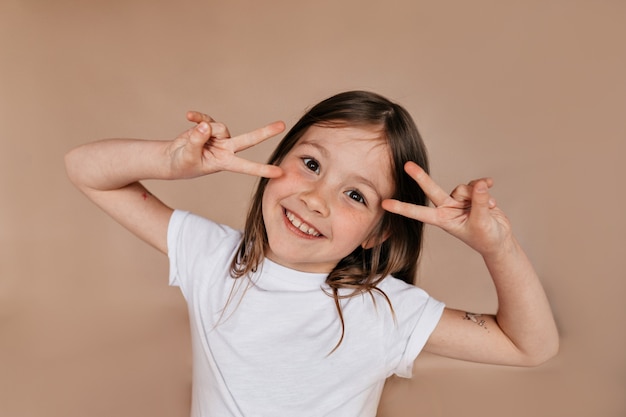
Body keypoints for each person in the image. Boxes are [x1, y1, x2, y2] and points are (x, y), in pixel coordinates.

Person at [65, 91, 558, 416]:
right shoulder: (212, 257)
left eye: (355, 195)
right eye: (311, 163)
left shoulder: (383, 308)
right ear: (275, 161)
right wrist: (169, 162)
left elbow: (530, 346)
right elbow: (84, 169)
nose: (317, 199)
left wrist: (498, 247)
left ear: (377, 235)